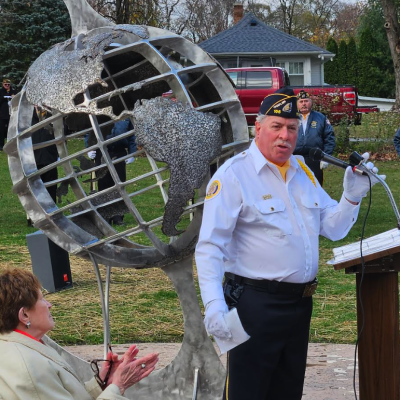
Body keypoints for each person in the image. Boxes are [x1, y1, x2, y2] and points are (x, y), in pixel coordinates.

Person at [195, 87, 383, 400]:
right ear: (258, 127)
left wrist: (351, 196)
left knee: (287, 391)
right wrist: (214, 305)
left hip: (299, 305)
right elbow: (210, 246)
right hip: (253, 305)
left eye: (292, 128)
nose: (285, 136)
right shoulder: (234, 175)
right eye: (277, 127)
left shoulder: (302, 170)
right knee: (248, 392)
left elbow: (333, 228)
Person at [0, 268, 159, 399]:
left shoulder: (31, 343)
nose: (50, 305)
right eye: (42, 299)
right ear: (24, 315)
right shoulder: (29, 368)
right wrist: (118, 386)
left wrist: (102, 382)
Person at [87, 118, 137, 225]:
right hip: (102, 153)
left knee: (119, 185)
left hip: (119, 153)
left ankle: (117, 217)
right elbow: (89, 133)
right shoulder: (98, 116)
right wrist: (90, 148)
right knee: (103, 184)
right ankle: (105, 215)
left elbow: (132, 136)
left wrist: (132, 153)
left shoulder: (125, 118)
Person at [293, 90, 335, 186]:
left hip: (315, 159)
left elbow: (329, 138)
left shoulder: (321, 118)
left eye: (306, 101)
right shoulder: (291, 118)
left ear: (311, 102)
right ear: (297, 104)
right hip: (295, 159)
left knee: (316, 187)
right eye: (301, 101)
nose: (304, 104)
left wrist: (326, 157)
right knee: (296, 187)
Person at [0, 78, 17, 151]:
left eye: (8, 84)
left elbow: (17, 99)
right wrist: (4, 97)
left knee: (11, 130)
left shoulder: (13, 91)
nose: (7, 86)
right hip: (2, 114)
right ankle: (1, 145)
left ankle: (11, 146)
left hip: (11, 114)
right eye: (5, 84)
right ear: (3, 84)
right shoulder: (0, 91)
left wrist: (13, 97)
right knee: (1, 130)